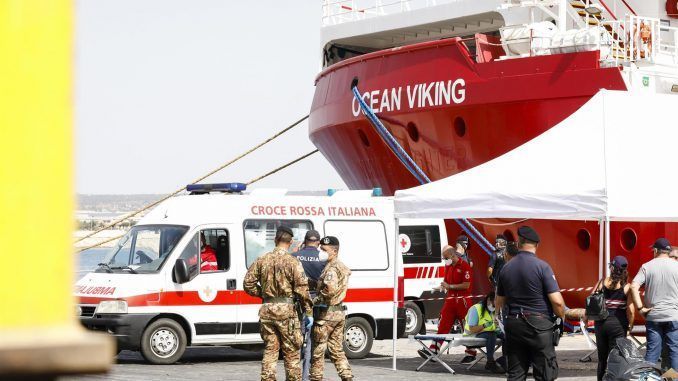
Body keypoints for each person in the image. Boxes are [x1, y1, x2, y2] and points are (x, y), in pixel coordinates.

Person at [243, 226, 313, 381]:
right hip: (287, 312)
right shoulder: (293, 262)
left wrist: (265, 294)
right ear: (291, 242)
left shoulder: (262, 260)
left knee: (270, 351)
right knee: (292, 353)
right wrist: (308, 312)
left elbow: (248, 284)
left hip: (267, 311)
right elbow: (302, 289)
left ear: (275, 240)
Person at [495, 226, 565, 381]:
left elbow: (499, 301)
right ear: (537, 245)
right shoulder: (542, 267)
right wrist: (561, 318)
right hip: (538, 326)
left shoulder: (506, 268)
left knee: (516, 374)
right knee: (545, 373)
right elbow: (557, 302)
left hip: (514, 324)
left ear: (519, 243)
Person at [630, 237, 678, 371]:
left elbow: (634, 286)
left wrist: (640, 308)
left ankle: (647, 379)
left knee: (652, 353)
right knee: (674, 352)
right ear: (668, 251)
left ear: (656, 250)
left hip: (653, 316)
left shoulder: (647, 266)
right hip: (673, 316)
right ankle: (671, 379)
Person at [310, 236, 353, 381]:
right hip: (338, 313)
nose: (321, 252)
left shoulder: (332, 268)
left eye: (324, 249)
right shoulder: (340, 266)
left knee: (318, 351)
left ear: (334, 251)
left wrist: (314, 300)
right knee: (336, 350)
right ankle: (347, 377)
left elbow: (329, 289)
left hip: (326, 315)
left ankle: (316, 378)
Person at [418, 245, 472, 358]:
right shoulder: (448, 267)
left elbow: (466, 285)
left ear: (452, 255)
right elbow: (446, 282)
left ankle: (471, 353)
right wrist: (441, 287)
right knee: (443, 324)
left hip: (463, 301)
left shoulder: (464, 266)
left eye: (445, 257)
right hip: (450, 300)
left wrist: (450, 286)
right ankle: (434, 350)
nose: (444, 260)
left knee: (466, 326)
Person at [588, 255, 635, 381]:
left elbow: (590, 299)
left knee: (602, 359)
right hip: (618, 325)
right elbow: (630, 311)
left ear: (612, 268)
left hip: (601, 324)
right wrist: (630, 325)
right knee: (615, 359)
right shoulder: (627, 287)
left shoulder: (601, 282)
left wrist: (587, 318)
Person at [293, 230, 327, 381]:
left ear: (304, 241)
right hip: (316, 302)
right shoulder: (322, 258)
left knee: (296, 339)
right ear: (318, 243)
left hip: (297, 301)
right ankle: (305, 376)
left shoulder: (294, 256)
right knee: (312, 342)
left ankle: (294, 374)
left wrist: (297, 250)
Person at [463, 291, 505, 373]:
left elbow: (493, 327)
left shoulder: (493, 311)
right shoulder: (475, 309)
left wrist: (498, 327)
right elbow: (472, 329)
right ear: (489, 300)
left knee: (507, 336)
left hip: (487, 333)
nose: (495, 308)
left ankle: (506, 360)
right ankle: (490, 361)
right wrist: (485, 325)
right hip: (472, 335)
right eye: (494, 305)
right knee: (491, 335)